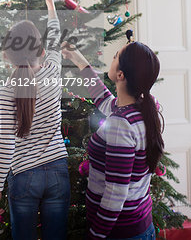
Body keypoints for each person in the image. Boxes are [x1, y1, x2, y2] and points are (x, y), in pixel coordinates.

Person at [0, 0, 70, 240]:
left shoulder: (8, 89)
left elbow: (5, 144)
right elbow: (56, 34)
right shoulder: (53, 70)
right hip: (57, 169)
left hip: (23, 175)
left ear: (10, 55)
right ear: (40, 49)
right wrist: (50, 4)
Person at [61, 40, 164, 240]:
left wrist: (95, 234)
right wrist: (77, 58)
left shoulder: (121, 123)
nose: (112, 58)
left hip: (119, 231)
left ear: (121, 75)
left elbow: (115, 193)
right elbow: (102, 98)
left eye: (116, 55)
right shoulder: (138, 109)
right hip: (139, 224)